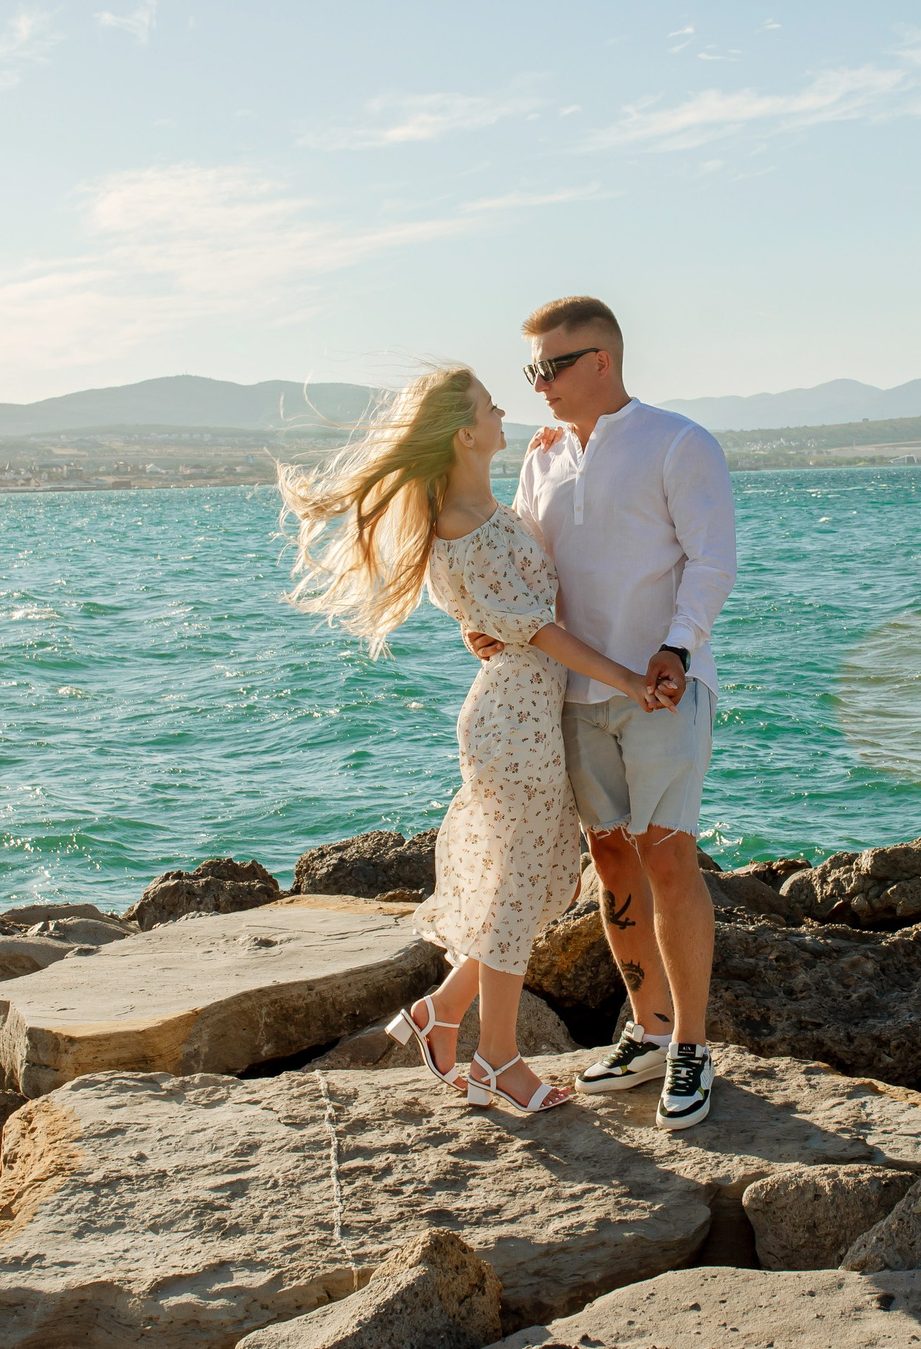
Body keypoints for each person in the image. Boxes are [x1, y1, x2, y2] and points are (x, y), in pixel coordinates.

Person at [279, 365, 661, 1115]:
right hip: (516, 718)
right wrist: (628, 679)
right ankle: (498, 1060)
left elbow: (502, 597)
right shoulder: (464, 521)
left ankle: (437, 1016)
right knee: (516, 891)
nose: (504, 410)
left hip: (522, 710)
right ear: (463, 432)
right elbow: (539, 627)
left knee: (532, 882)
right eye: (491, 406)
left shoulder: (479, 503)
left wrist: (544, 456)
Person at [467, 296, 737, 1131]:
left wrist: (678, 648)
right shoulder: (542, 460)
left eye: (553, 365)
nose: (539, 383)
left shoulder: (679, 442)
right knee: (610, 866)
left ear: (602, 362)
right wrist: (494, 622)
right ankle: (649, 1030)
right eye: (532, 369)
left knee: (667, 860)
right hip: (572, 696)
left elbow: (712, 559)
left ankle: (691, 1045)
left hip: (658, 690)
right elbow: (527, 565)